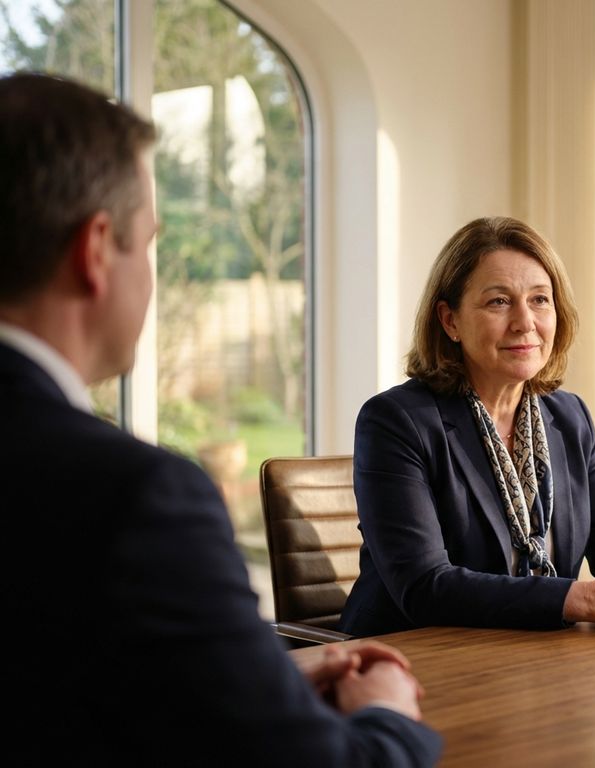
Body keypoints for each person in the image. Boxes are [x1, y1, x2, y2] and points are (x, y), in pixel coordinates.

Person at [0, 72, 441, 766]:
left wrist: (263, 678)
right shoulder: (136, 498)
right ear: (94, 252)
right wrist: (389, 714)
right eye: (148, 243)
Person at [339, 216, 595, 637]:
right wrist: (585, 599)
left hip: (536, 659)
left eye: (540, 299)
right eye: (499, 302)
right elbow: (424, 587)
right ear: (450, 320)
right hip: (412, 665)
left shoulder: (568, 416)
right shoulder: (396, 422)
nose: (525, 321)